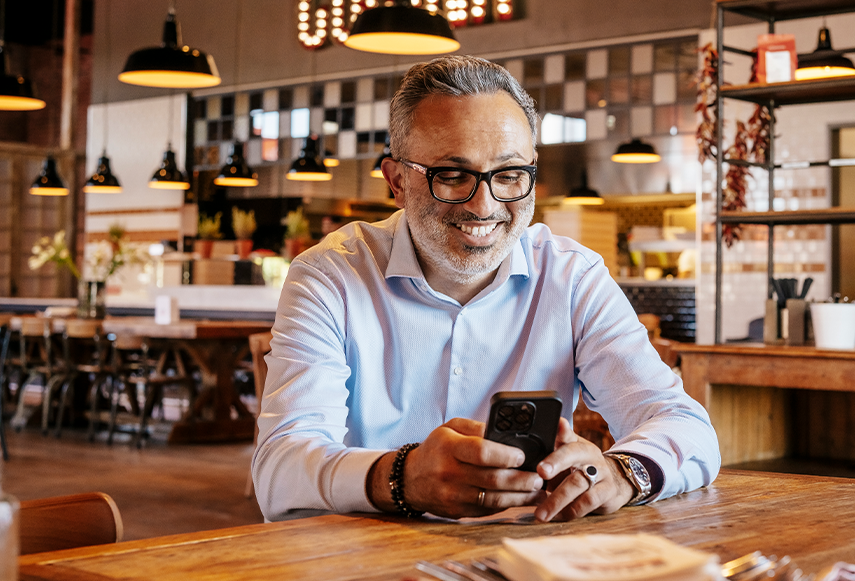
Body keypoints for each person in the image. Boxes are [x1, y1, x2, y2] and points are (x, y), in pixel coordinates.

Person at [253, 55, 720, 523]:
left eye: (510, 174)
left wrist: (622, 474)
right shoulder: (330, 276)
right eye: (452, 176)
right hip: (367, 558)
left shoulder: (571, 277)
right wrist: (400, 477)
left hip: (527, 557)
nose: (485, 205)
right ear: (396, 181)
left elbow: (684, 424)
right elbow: (280, 469)